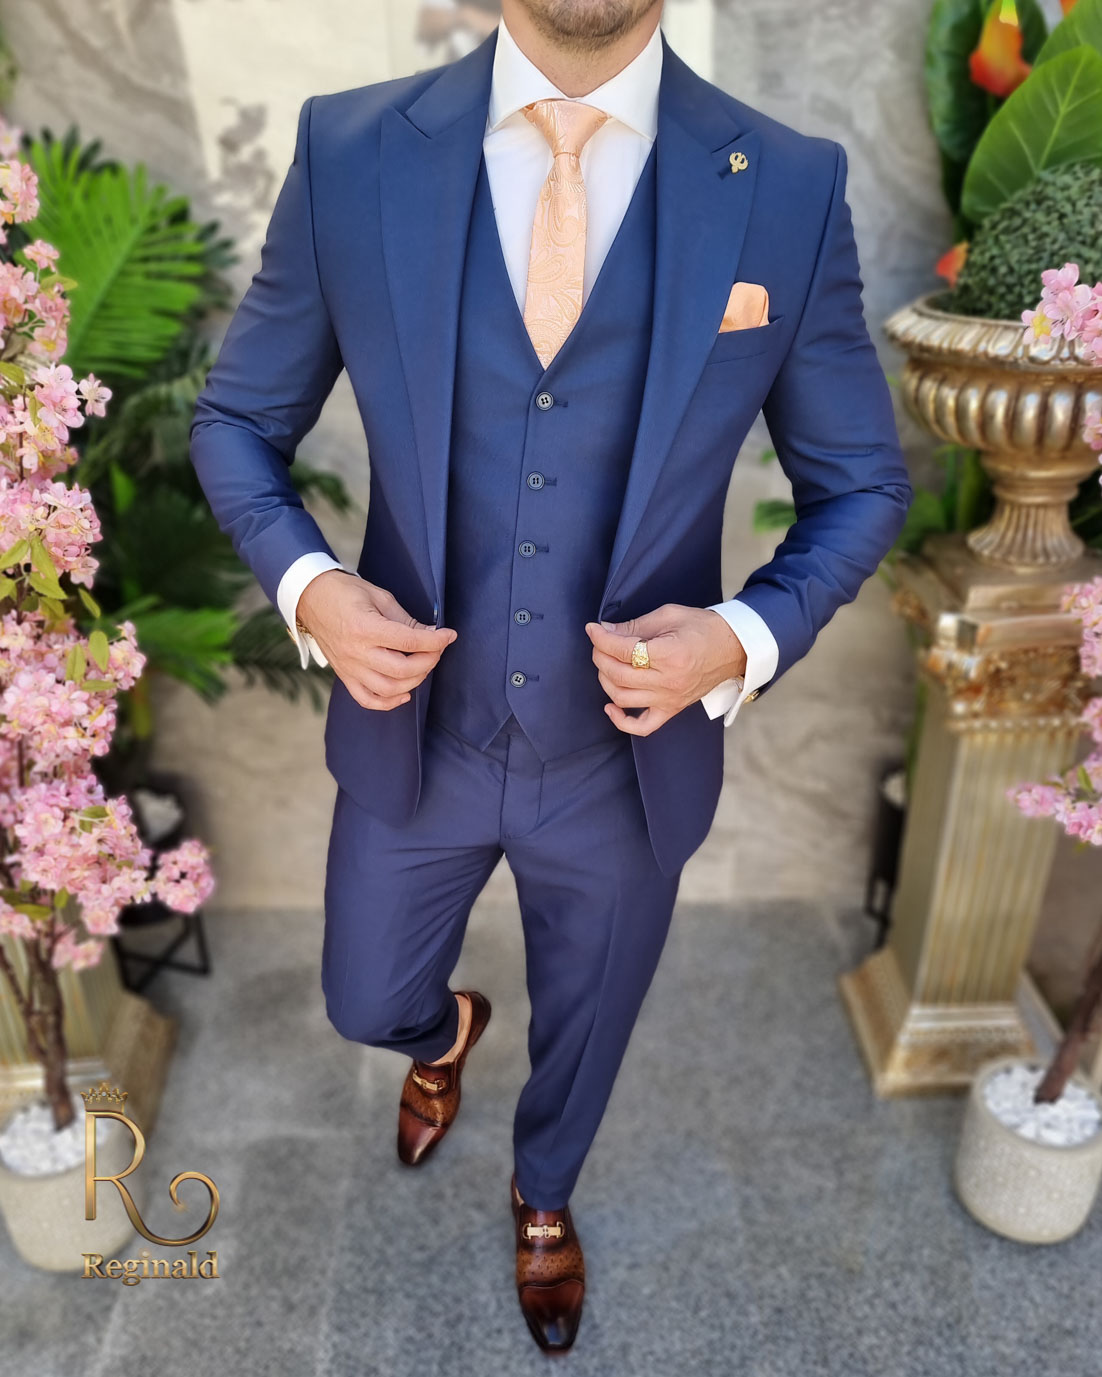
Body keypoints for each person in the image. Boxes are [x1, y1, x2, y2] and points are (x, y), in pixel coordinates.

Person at [189, 0, 912, 1353]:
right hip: (422, 731)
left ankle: (544, 1190)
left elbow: (862, 482)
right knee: (363, 996)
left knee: (590, 1023)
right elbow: (237, 419)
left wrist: (742, 636)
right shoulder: (351, 150)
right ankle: (442, 1031)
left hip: (624, 753)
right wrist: (313, 588)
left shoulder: (787, 181)